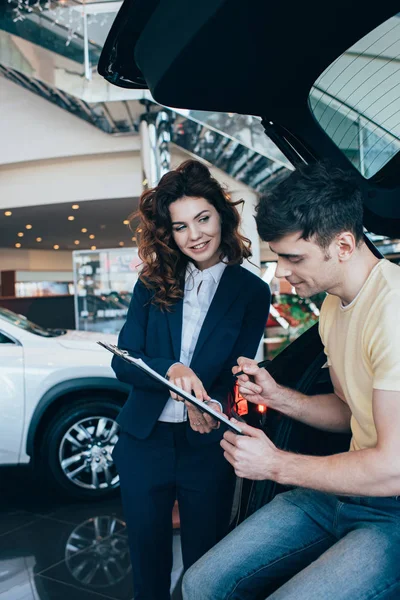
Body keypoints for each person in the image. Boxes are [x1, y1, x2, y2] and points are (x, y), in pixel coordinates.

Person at [182, 161, 400, 600]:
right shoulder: (335, 308)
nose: (280, 272)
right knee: (200, 583)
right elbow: (348, 411)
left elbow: (393, 470)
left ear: (342, 245)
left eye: (292, 257)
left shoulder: (393, 312)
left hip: (392, 508)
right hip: (340, 492)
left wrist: (275, 464)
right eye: (278, 256)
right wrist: (281, 398)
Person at [111, 159, 270, 600]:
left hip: (206, 445)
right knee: (148, 564)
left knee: (206, 564)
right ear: (169, 233)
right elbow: (123, 361)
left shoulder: (252, 292)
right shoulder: (152, 281)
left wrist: (209, 404)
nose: (194, 235)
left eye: (202, 218)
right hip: (144, 441)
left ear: (222, 214)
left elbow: (237, 370)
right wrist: (171, 370)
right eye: (180, 227)